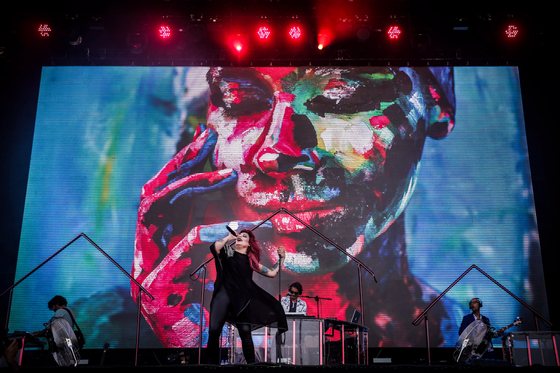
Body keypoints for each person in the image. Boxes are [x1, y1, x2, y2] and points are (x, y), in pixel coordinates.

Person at [132, 66, 460, 348]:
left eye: (342, 98)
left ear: (434, 104)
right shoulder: (108, 324)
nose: (274, 153)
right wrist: (192, 344)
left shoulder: (462, 338)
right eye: (238, 98)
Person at [205, 228, 287, 364]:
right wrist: (229, 237)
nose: (240, 237)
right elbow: (214, 247)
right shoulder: (227, 252)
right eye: (240, 235)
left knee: (245, 335)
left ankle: (251, 366)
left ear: (249, 244)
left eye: (244, 236)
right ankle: (211, 366)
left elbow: (272, 273)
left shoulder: (251, 262)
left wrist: (282, 258)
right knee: (214, 331)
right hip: (223, 295)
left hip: (242, 302)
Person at [455, 297, 495, 363]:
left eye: (475, 302)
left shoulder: (485, 319)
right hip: (472, 349)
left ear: (480, 304)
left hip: (484, 349)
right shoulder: (467, 318)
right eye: (471, 303)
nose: (472, 304)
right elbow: (461, 332)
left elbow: (489, 334)